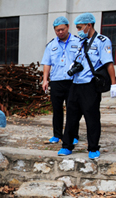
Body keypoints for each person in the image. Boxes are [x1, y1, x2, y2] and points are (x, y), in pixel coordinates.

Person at [58, 13, 116, 160]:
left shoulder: (102, 41)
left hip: (90, 86)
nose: (78, 30)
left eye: (79, 27)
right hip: (76, 84)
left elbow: (108, 63)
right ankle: (67, 146)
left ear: (88, 25)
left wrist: (113, 84)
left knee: (92, 118)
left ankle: (93, 148)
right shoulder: (80, 42)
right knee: (71, 117)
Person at [41, 16, 81, 145]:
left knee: (72, 110)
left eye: (62, 29)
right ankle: (57, 135)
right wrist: (45, 80)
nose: (60, 32)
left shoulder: (78, 42)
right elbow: (47, 64)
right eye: (57, 30)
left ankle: (73, 135)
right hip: (57, 81)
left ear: (68, 27)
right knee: (57, 109)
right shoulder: (51, 45)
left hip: (72, 81)